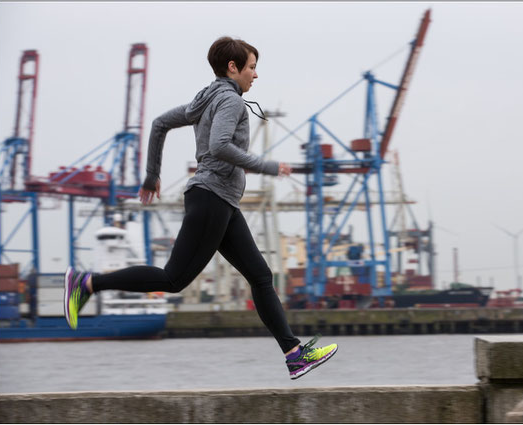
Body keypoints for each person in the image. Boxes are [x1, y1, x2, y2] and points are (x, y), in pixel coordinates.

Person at [63, 36, 337, 380]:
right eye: (252, 67)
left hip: (219, 200)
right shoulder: (231, 102)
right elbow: (219, 145)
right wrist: (267, 166)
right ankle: (87, 283)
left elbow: (159, 124)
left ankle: (295, 354)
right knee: (173, 279)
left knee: (260, 276)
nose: (256, 75)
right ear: (233, 67)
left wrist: (152, 176)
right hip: (212, 197)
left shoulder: (204, 99)